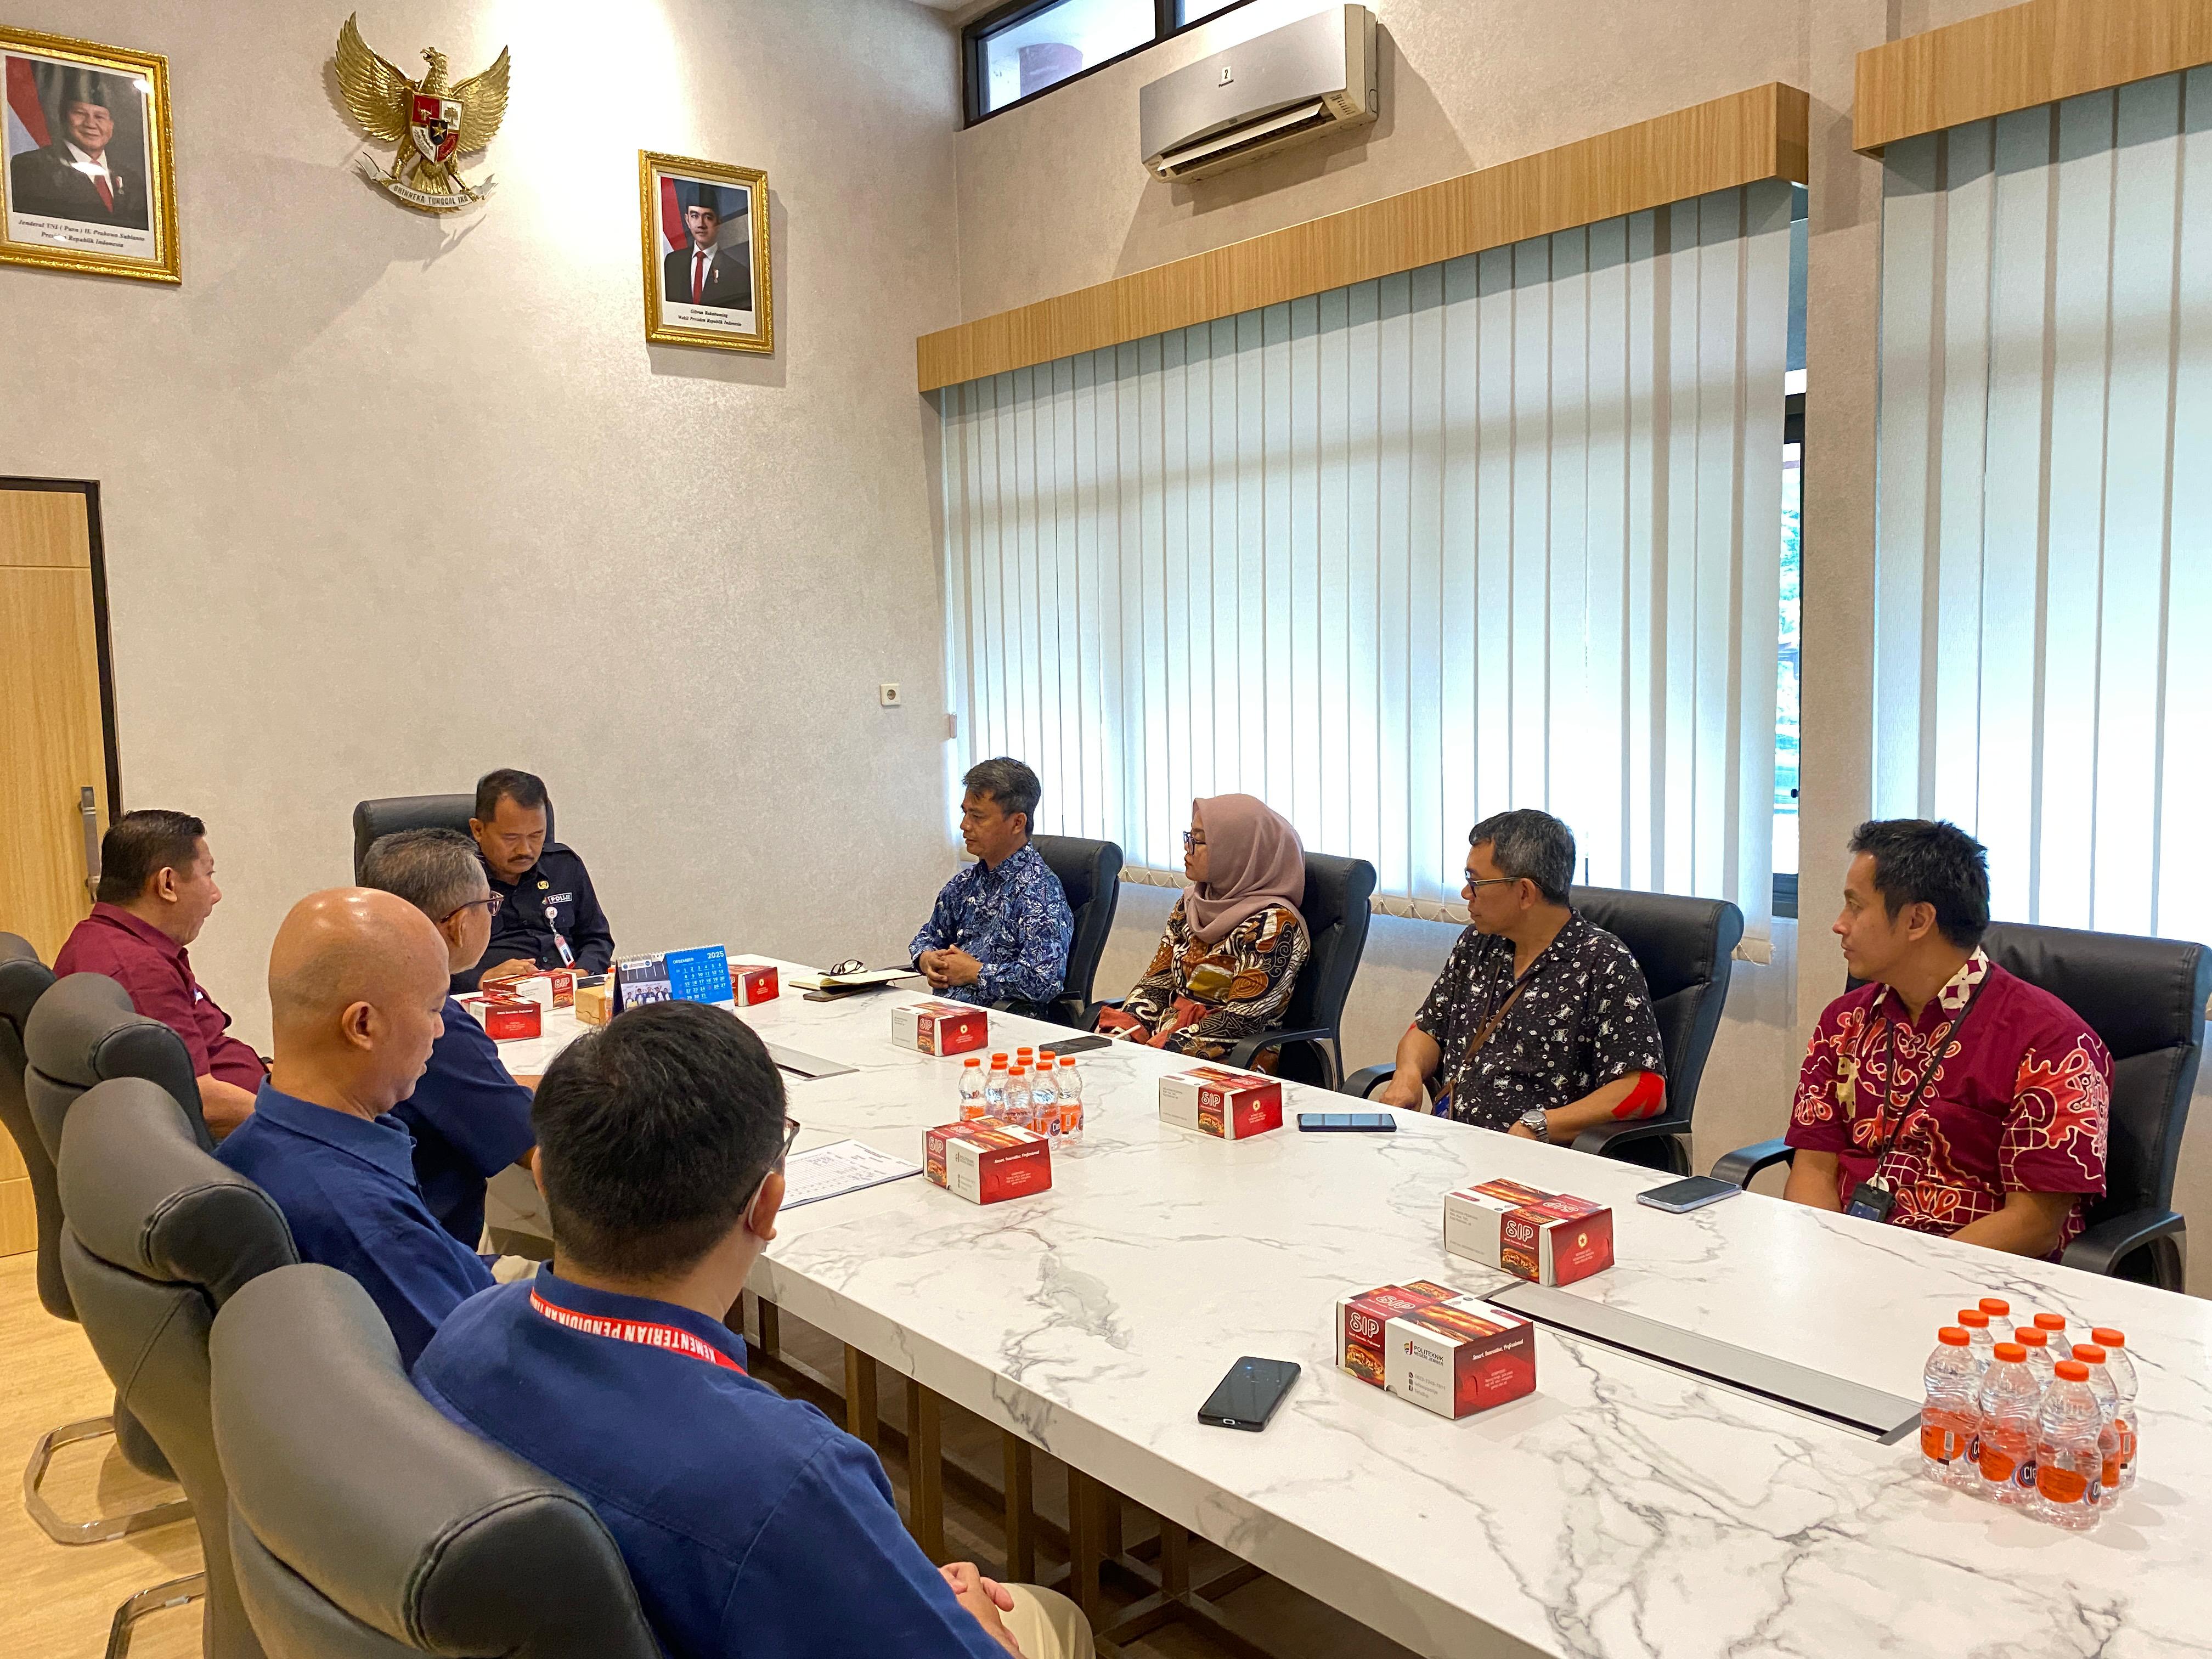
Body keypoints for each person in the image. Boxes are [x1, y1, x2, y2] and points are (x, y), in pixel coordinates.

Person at [414, 1001, 1093, 1659]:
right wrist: (964, 1620)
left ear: (542, 1177)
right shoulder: (786, 1478)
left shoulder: (463, 1333)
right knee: (1053, 1618)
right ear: (768, 1206)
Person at [1783, 820, 2109, 1257]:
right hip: (1845, 1260)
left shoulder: (2053, 1043)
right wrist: (1828, 1259)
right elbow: (1814, 1169)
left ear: (1918, 920)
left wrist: (1906, 1275)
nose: (1840, 925)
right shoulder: (1844, 1022)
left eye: (1856, 908)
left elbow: (2035, 1224)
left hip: (1975, 1284)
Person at [216, 888, 494, 1367]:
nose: (440, 1030)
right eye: (433, 1009)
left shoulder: (257, 1144)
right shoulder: (367, 1226)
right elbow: (480, 1383)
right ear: (363, 1025)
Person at [1373, 809, 1667, 1138]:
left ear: (1525, 892)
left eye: (1477, 882)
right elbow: (1427, 1028)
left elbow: (1645, 1090)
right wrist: (1408, 1076)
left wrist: (1540, 1125)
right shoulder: (1479, 942)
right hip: (1451, 1143)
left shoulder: (1603, 962)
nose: (1466, 893)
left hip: (1537, 1162)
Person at [360, 828, 537, 1248]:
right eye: (489, 905)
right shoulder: (436, 1025)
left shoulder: (360, 991)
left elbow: (486, 1093)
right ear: (458, 924)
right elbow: (539, 1151)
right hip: (438, 1257)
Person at [54, 810, 263, 1137]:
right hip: (233, 1143)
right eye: (208, 876)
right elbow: (201, 1101)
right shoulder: (137, 973)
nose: (216, 894)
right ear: (167, 884)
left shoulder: (104, 940)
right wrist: (302, 1126)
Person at [1098, 795, 1310, 1061]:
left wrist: (1157, 1049)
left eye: (1198, 840)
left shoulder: (1274, 925)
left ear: (1236, 851)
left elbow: (1242, 1022)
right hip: (1164, 1044)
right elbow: (1156, 984)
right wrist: (1124, 1032)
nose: (1187, 848)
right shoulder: (1190, 905)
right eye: (1190, 836)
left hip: (1231, 1060)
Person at [909, 758, 1073, 1009]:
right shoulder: (964, 884)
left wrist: (976, 972)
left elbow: (1044, 981)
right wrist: (927, 959)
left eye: (977, 817)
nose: (964, 826)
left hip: (1006, 1026)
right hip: (946, 1018)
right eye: (965, 813)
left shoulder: (1039, 891)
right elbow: (928, 936)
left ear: (1017, 823)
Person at [460, 768, 614, 994]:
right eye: (511, 838)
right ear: (478, 830)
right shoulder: (453, 880)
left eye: (536, 836)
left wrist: (582, 972)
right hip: (494, 1000)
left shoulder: (563, 865)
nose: (525, 850)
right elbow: (430, 959)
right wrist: (481, 978)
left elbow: (597, 938)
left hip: (568, 994)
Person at [7, 72, 150, 229]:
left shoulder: (131, 180)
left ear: (111, 126)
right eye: (80, 113)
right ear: (64, 119)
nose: (91, 124)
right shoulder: (30, 167)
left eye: (100, 117)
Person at [661, 191, 752, 311]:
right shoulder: (672, 262)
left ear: (718, 223)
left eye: (708, 217)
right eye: (695, 216)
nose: (701, 224)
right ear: (687, 220)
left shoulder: (738, 272)